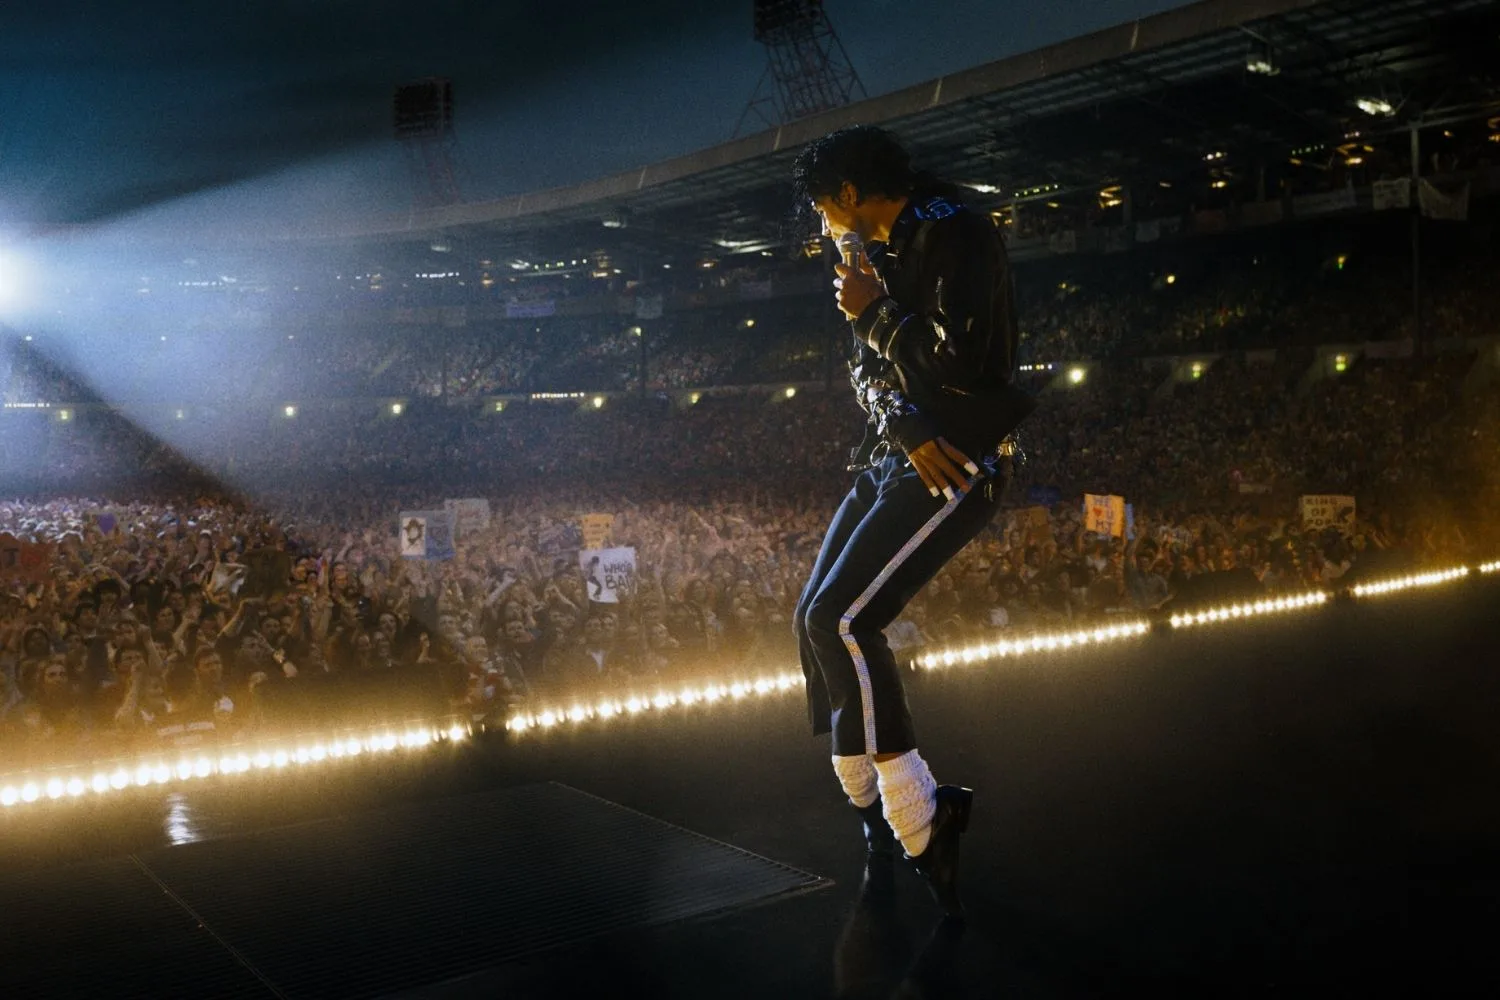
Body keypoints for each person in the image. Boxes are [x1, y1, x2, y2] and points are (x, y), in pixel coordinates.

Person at [789, 125, 1034, 923]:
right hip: (904, 451)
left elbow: (970, 365)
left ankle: (922, 820)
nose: (822, 222)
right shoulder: (874, 252)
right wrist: (902, 421)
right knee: (812, 619)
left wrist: (877, 314)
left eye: (823, 205)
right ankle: (871, 806)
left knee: (845, 620)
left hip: (962, 460)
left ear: (849, 194)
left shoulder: (956, 232)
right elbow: (864, 369)